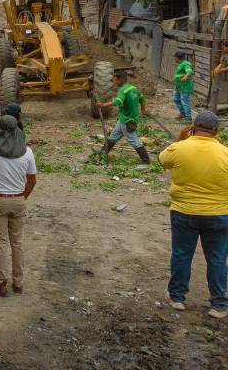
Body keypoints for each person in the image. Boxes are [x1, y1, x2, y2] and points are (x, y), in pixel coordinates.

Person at [159, 111, 228, 319]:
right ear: (217, 131)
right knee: (217, 258)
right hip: (219, 214)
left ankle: (177, 298)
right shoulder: (225, 153)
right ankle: (219, 305)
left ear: (192, 127)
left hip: (184, 212)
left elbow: (163, 160)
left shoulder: (179, 148)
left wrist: (181, 139)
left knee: (182, 254)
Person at [0, 116, 37, 296]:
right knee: (17, 242)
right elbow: (32, 180)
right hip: (18, 200)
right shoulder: (28, 152)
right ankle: (18, 283)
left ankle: (0, 284)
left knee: (0, 243)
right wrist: (21, 198)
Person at [96, 70, 150, 165]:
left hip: (127, 121)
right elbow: (142, 99)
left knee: (134, 141)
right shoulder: (134, 88)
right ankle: (101, 154)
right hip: (123, 119)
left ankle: (146, 160)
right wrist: (143, 110)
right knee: (113, 137)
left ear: (121, 79)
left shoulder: (122, 90)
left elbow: (117, 102)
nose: (114, 82)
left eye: (115, 80)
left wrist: (103, 104)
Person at [173, 51, 194, 122]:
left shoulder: (186, 63)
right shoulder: (181, 64)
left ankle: (188, 117)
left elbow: (189, 71)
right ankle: (182, 113)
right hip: (179, 86)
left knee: (185, 101)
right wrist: (175, 78)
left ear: (177, 58)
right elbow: (180, 74)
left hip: (185, 87)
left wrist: (186, 76)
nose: (174, 59)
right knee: (176, 99)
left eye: (174, 58)